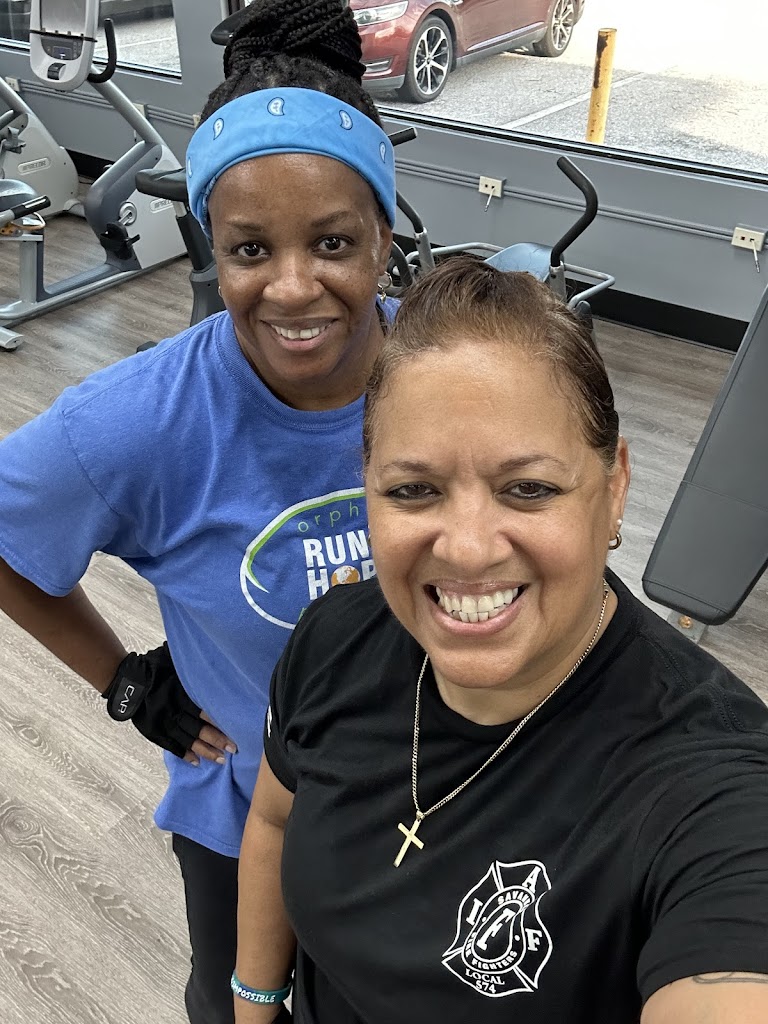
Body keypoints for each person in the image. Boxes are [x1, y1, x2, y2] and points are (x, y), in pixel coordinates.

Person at [236, 256, 768, 1024]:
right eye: (413, 489)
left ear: (614, 488)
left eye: (529, 488)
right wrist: (254, 1003)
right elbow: (273, 820)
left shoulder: (715, 792)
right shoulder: (333, 640)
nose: (467, 548)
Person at [0, 2, 397, 1022]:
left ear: (384, 240)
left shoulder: (449, 373)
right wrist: (123, 678)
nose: (293, 288)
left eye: (334, 242)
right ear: (213, 247)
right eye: (250, 249)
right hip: (248, 818)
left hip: (432, 801)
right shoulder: (137, 421)